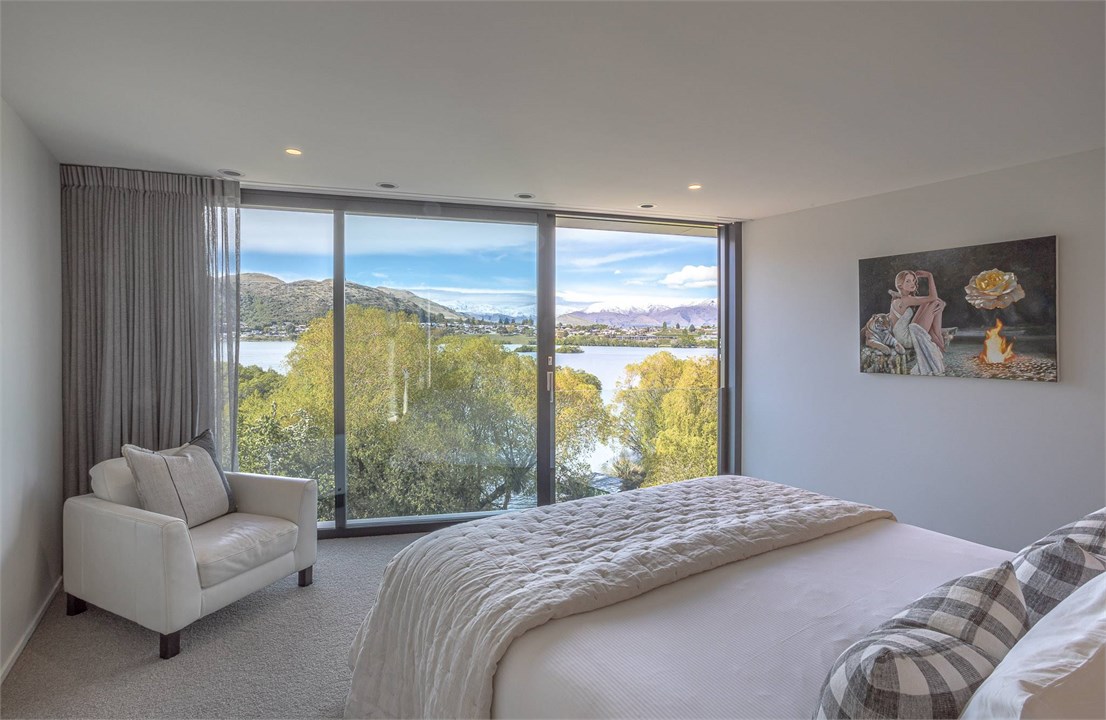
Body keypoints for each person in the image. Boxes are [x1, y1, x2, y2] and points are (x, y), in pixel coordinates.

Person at [888, 270, 947, 375]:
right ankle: (939, 340)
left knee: (930, 303)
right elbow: (933, 297)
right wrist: (929, 276)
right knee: (934, 302)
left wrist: (942, 303)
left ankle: (937, 339)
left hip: (902, 334)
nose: (913, 284)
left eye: (914, 281)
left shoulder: (901, 299)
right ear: (900, 285)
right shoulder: (906, 300)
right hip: (905, 339)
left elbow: (930, 299)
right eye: (908, 281)